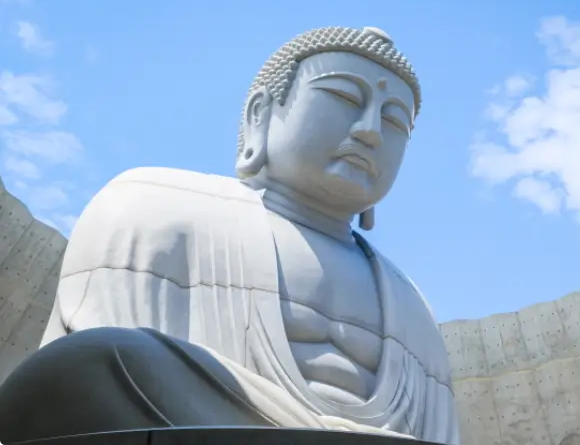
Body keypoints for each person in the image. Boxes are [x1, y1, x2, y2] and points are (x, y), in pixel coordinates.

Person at [0, 27, 459, 445]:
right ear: (261, 114)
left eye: (395, 121)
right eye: (343, 96)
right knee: (100, 360)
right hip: (195, 426)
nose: (370, 131)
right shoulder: (154, 201)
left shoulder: (412, 301)